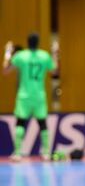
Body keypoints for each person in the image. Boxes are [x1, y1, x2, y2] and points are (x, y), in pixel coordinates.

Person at [3, 33, 58, 161]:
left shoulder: (21, 56)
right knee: (42, 123)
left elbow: (5, 70)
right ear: (38, 42)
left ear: (27, 42)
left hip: (24, 96)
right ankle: (45, 153)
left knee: (20, 123)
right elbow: (54, 71)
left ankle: (17, 153)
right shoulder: (44, 56)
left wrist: (7, 52)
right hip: (39, 95)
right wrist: (55, 53)